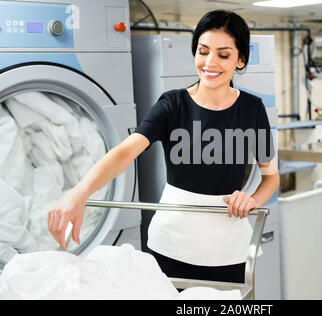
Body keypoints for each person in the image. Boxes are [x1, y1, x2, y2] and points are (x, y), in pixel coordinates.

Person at [48, 10, 279, 284]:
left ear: (240, 60)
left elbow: (270, 177)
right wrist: (79, 193)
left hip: (229, 247)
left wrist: (252, 200)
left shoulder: (252, 109)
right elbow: (125, 151)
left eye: (223, 54)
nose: (210, 62)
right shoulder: (173, 104)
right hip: (171, 243)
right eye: (203, 51)